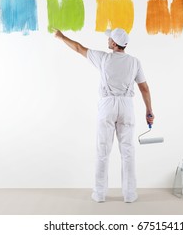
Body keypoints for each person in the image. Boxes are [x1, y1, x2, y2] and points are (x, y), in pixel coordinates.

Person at [54, 28, 154, 203]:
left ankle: (99, 194)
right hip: (126, 106)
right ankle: (129, 195)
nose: (107, 40)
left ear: (114, 44)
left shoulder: (103, 58)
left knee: (102, 150)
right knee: (128, 152)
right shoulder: (135, 62)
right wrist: (149, 110)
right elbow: (144, 87)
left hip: (107, 105)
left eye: (109, 39)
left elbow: (78, 48)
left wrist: (61, 37)